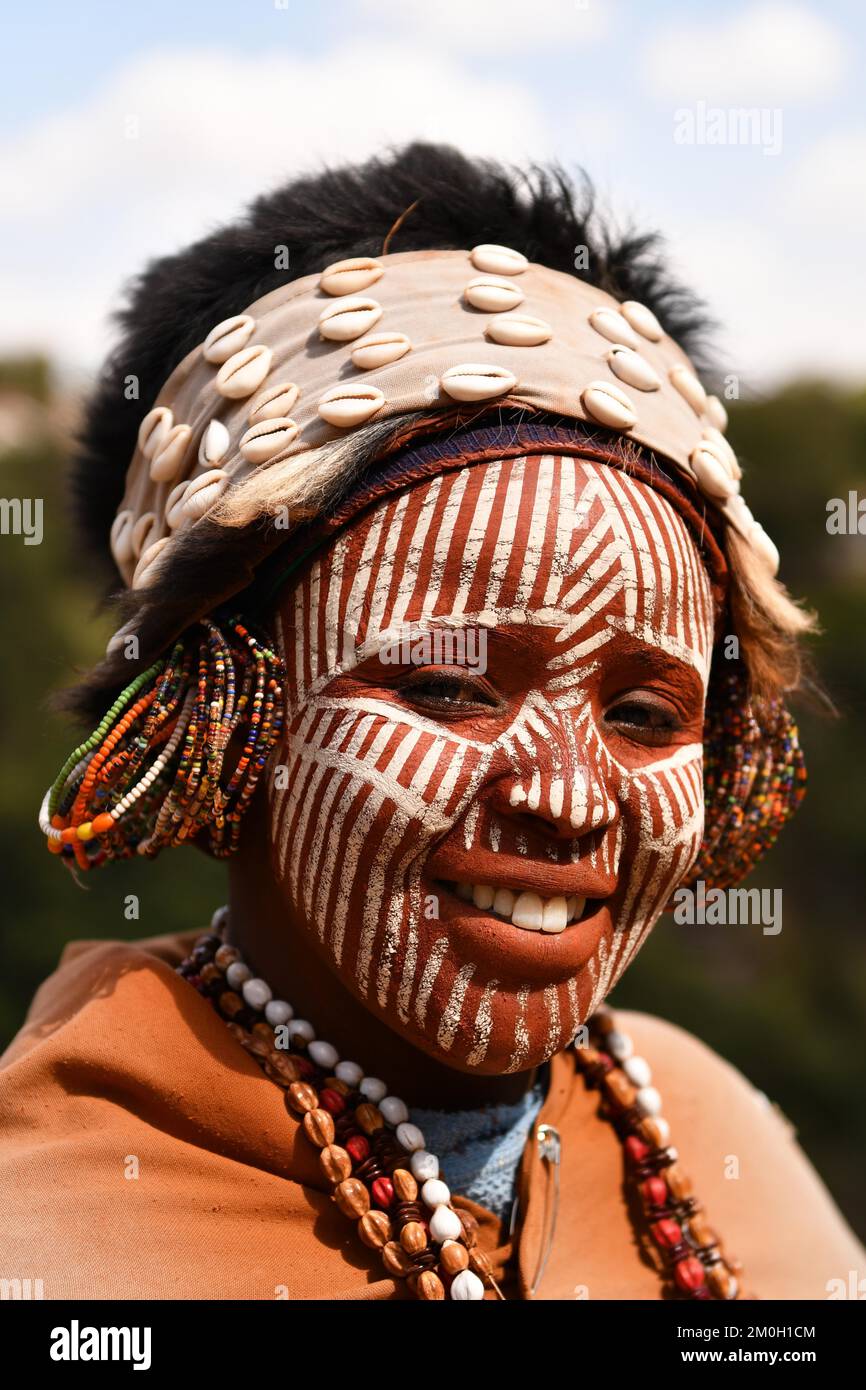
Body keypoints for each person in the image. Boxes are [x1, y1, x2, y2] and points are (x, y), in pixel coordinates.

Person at [2, 143, 863, 1301]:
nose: (563, 795)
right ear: (214, 717)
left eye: (645, 711)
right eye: (448, 686)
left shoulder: (708, 1129)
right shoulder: (57, 1241)